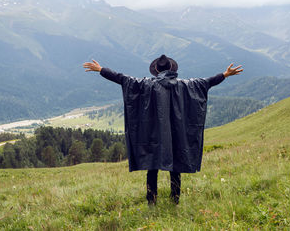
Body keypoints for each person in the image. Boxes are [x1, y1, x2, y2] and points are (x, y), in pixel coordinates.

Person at [83, 55, 243, 205]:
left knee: (152, 167)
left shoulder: (146, 85)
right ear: (172, 69)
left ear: (157, 70)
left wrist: (101, 69)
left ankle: (151, 201)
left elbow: (122, 79)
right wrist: (225, 74)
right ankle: (175, 200)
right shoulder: (186, 86)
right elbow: (206, 82)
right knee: (176, 167)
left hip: (154, 136)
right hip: (176, 136)